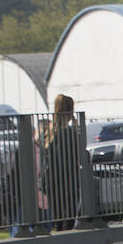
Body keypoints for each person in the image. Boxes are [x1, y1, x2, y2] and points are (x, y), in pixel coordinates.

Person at [42, 94, 80, 231]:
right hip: (69, 181)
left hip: (51, 181)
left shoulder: (48, 133)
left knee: (58, 218)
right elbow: (79, 155)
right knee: (70, 217)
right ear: (70, 110)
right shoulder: (70, 134)